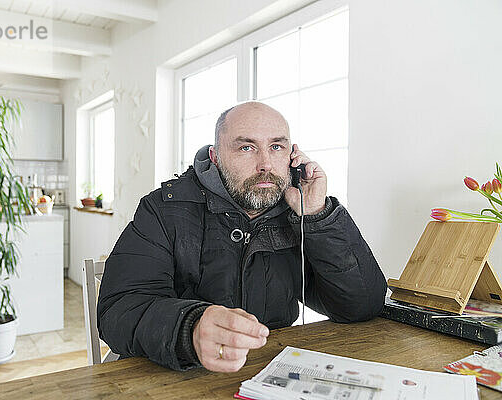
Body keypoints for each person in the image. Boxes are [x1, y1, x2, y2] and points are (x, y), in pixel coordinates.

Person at [97, 101, 387, 372]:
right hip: (179, 373)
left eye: (276, 147)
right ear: (215, 156)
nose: (266, 164)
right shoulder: (163, 209)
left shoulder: (298, 212)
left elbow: (361, 306)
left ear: (293, 156)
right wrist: (191, 328)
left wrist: (318, 216)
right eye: (246, 148)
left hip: (271, 371)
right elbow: (119, 311)